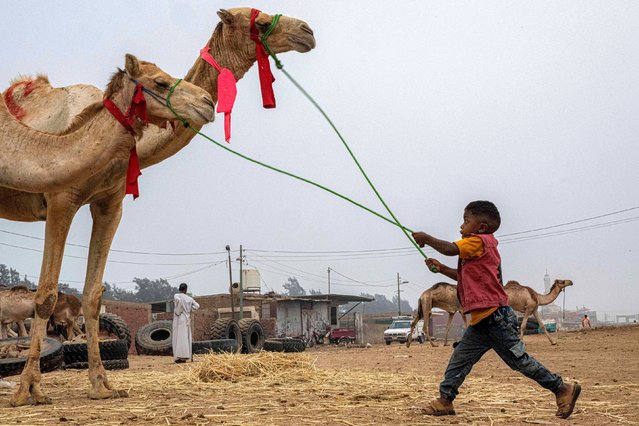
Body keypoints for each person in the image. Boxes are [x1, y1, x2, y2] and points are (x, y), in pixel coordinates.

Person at [411, 200, 581, 419]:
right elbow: (464, 275)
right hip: (482, 321)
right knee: (459, 359)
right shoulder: (480, 249)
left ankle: (562, 389)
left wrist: (426, 238)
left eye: (466, 221)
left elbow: (451, 249)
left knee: (519, 361)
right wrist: (442, 269)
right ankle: (445, 400)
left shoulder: (478, 242)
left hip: (495, 319)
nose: (461, 226)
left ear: (481, 227)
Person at [172, 283, 200, 363]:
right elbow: (197, 306)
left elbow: (178, 300)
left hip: (179, 318)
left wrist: (178, 310)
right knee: (186, 337)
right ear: (186, 290)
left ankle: (179, 357)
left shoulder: (177, 295)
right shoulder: (189, 299)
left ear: (179, 288)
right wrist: (190, 310)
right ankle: (186, 356)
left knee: (178, 337)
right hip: (187, 319)